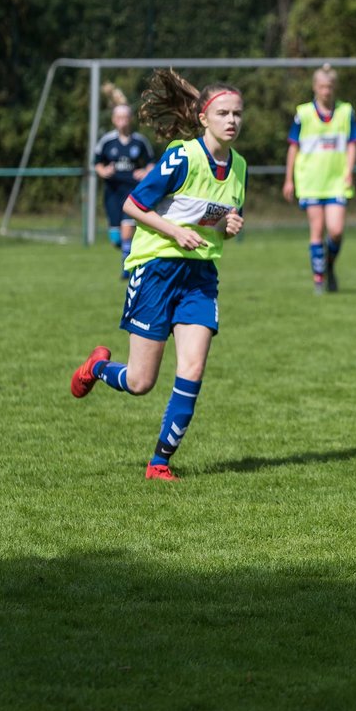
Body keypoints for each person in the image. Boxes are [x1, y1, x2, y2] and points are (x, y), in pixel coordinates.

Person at [69, 69, 247, 482]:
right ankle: (97, 368)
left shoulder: (239, 167)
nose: (232, 121)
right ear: (204, 118)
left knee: (193, 368)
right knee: (140, 381)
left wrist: (229, 228)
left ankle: (159, 463)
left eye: (238, 113)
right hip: (155, 272)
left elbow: (215, 219)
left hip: (200, 276)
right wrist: (173, 232)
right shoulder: (183, 156)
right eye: (223, 113)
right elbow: (133, 205)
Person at [283, 64, 356, 294]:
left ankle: (328, 266)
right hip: (310, 180)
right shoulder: (304, 113)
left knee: (336, 230)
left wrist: (349, 171)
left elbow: (352, 144)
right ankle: (319, 280)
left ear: (334, 87)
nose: (325, 91)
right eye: (321, 87)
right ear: (315, 87)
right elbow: (293, 147)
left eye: (329, 87)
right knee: (317, 229)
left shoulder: (346, 111)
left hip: (337, 180)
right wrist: (289, 179)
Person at [93, 101, 155, 278]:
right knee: (116, 239)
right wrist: (103, 171)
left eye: (125, 117)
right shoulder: (107, 141)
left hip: (133, 192)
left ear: (130, 119)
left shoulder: (140, 141)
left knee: (127, 230)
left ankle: (127, 269)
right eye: (119, 117)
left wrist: (145, 171)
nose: (122, 121)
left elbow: (152, 162)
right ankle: (131, 252)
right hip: (112, 192)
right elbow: (96, 162)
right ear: (114, 120)